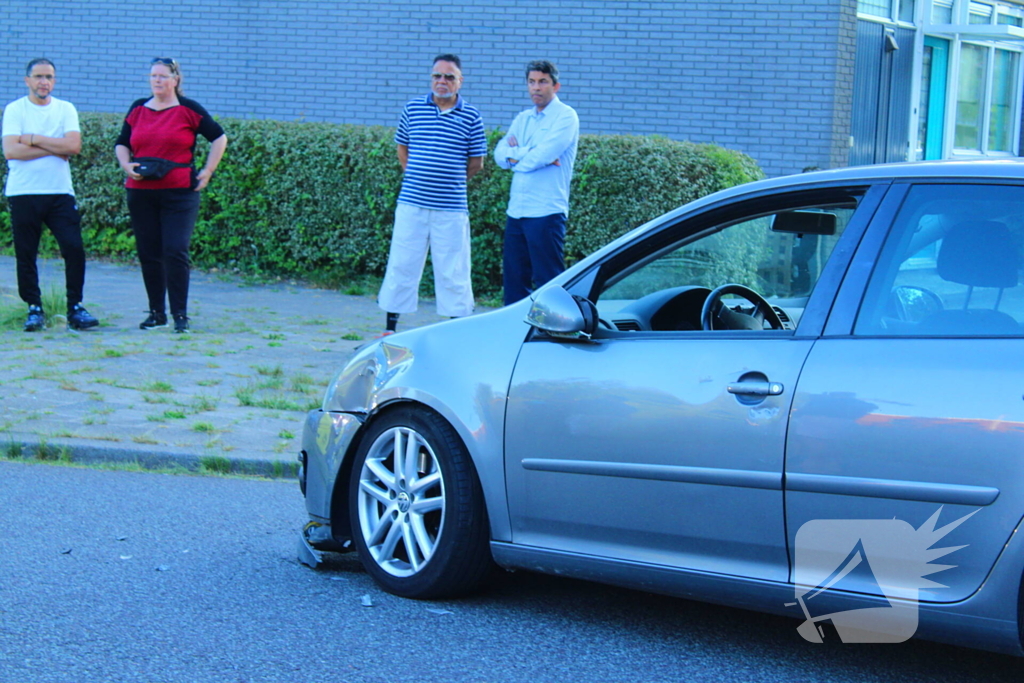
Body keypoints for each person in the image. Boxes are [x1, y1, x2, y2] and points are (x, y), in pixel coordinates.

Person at [114, 58, 227, 333]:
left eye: (163, 76)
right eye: (153, 76)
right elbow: (122, 143)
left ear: (176, 80)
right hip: (141, 192)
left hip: (179, 193)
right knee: (149, 253)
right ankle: (156, 313)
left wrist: (208, 170)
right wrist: (126, 164)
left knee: (175, 250)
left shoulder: (189, 109)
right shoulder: (138, 108)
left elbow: (218, 137)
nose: (157, 81)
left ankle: (180, 315)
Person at [377, 53, 487, 335]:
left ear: (460, 81)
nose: (442, 81)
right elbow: (403, 150)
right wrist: (420, 176)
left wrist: (448, 182)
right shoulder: (412, 109)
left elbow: (476, 163)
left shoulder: (472, 116)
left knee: (454, 270)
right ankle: (391, 328)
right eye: (437, 75)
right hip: (412, 204)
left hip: (450, 208)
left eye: (449, 76)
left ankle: (457, 331)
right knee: (402, 263)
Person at [2, 58, 98, 332]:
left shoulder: (65, 109)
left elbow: (74, 145)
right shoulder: (15, 110)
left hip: (59, 192)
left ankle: (75, 307)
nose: (44, 82)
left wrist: (31, 137)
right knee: (26, 253)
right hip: (24, 192)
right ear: (27, 80)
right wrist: (57, 148)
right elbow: (11, 151)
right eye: (39, 76)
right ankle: (34, 308)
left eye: (50, 77)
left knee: (74, 248)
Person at [494, 60, 579, 306]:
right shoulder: (523, 118)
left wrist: (518, 155)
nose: (536, 87)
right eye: (531, 82)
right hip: (517, 211)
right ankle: (514, 336)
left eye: (542, 82)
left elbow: (544, 154)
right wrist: (528, 153)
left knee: (548, 281)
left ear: (556, 85)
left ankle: (551, 336)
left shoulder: (566, 117)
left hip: (546, 211)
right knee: (513, 281)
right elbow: (501, 155)